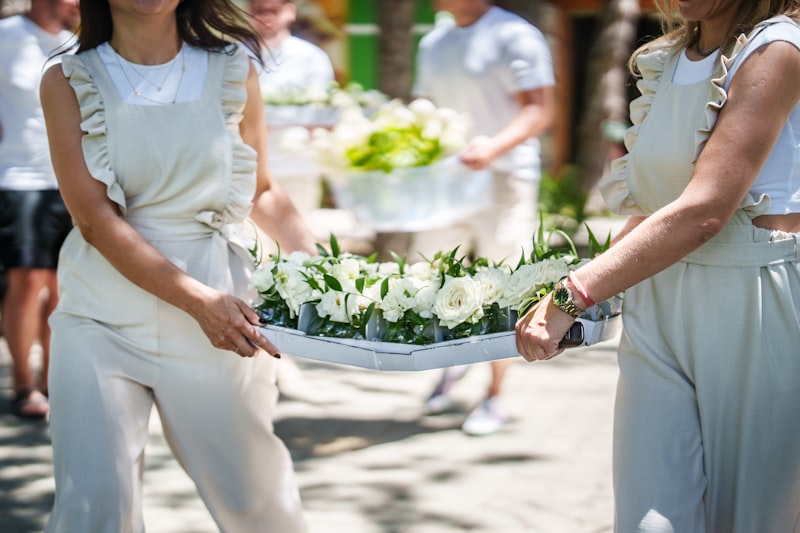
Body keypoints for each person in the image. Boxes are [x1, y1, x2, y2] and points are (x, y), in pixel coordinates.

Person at [516, 1, 800, 530]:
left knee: (752, 520)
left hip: (753, 300)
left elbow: (706, 211)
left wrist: (573, 293)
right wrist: (570, 289)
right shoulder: (665, 59)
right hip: (658, 300)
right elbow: (659, 209)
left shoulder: (776, 48)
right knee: (649, 521)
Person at [39, 0, 318, 530]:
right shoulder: (67, 78)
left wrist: (333, 274)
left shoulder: (236, 67)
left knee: (254, 501)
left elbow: (262, 189)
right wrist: (197, 301)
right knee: (91, 510)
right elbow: (94, 220)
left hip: (222, 312)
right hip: (100, 314)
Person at [412, 0, 555, 436]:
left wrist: (491, 148)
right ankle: (454, 367)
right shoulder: (433, 40)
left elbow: (540, 109)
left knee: (501, 287)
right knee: (437, 283)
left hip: (504, 179)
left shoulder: (515, 34)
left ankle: (494, 396)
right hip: (448, 184)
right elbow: (424, 107)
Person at [0, 0, 79, 419]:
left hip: (72, 182)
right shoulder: (6, 36)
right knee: (28, 283)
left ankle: (52, 380)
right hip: (18, 179)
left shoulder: (79, 42)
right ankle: (22, 383)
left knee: (63, 286)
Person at [249, 0, 335, 98]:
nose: (266, 18)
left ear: (289, 11)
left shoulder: (312, 56)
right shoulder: (235, 53)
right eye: (259, 11)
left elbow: (321, 101)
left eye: (273, 11)